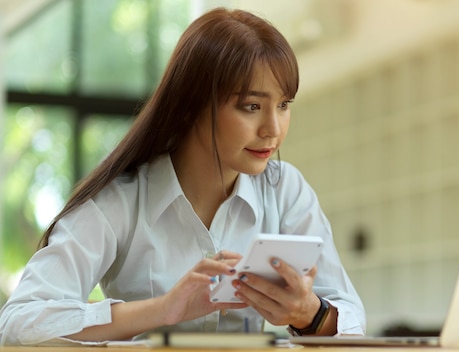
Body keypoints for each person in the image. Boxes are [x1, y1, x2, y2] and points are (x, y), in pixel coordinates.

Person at [0, 7, 366, 345]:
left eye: (283, 105)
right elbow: (18, 322)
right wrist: (165, 308)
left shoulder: (286, 189)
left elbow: (352, 321)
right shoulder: (120, 200)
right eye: (251, 107)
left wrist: (308, 313)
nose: (273, 128)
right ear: (192, 106)